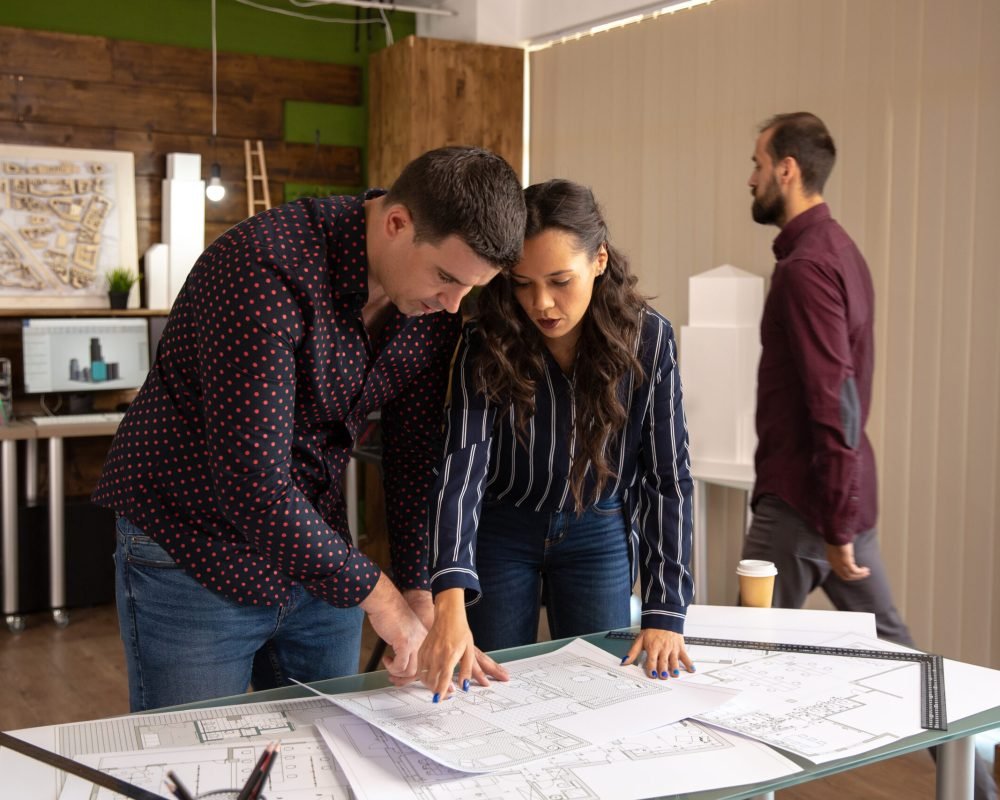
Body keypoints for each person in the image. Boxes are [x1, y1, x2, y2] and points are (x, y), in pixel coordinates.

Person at [92, 146, 526, 712]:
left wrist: (419, 589)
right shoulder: (263, 268)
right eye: (446, 278)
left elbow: (415, 452)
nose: (452, 304)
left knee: (332, 752)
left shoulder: (431, 308)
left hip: (314, 556)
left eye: (470, 287)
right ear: (396, 223)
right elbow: (253, 483)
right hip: (190, 549)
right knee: (187, 764)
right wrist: (384, 601)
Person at [740, 112, 997, 800]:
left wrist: (838, 525)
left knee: (737, 663)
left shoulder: (805, 269)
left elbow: (834, 400)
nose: (752, 177)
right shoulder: (840, 250)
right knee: (908, 661)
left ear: (787, 169)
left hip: (804, 507)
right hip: (833, 501)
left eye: (758, 164)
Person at [418, 179, 695, 701]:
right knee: (491, 692)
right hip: (502, 530)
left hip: (599, 530)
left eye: (559, 280)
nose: (541, 303)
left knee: (597, 692)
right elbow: (462, 466)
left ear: (600, 260)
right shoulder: (486, 337)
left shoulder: (650, 338)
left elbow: (667, 475)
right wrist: (448, 597)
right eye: (522, 283)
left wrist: (666, 610)